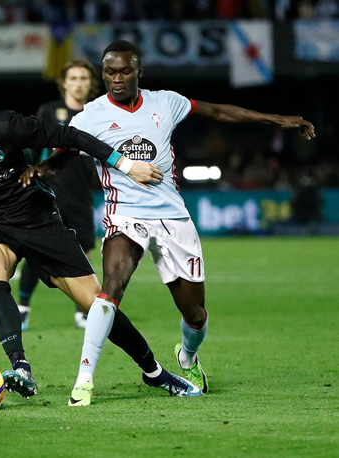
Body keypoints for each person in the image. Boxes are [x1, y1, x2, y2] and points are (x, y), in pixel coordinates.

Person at [20, 40, 316, 405]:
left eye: (124, 71)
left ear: (138, 72)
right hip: (124, 214)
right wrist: (39, 171)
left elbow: (219, 112)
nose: (116, 78)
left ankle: (188, 357)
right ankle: (84, 380)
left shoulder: (165, 102)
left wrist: (279, 120)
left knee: (195, 313)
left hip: (172, 217)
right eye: (109, 72)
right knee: (109, 289)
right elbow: (60, 158)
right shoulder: (90, 116)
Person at [0, 78, 202, 403]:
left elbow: (71, 136)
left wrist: (125, 165)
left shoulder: (6, 125)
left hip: (37, 217)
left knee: (96, 303)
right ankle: (20, 367)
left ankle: (154, 372)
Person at [19, 59, 99, 331]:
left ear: (91, 84)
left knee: (83, 253)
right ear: (64, 82)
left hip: (81, 195)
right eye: (73, 78)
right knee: (38, 250)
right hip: (49, 192)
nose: (78, 83)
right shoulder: (49, 111)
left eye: (84, 79)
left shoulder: (96, 112)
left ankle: (82, 311)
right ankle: (23, 308)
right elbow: (31, 146)